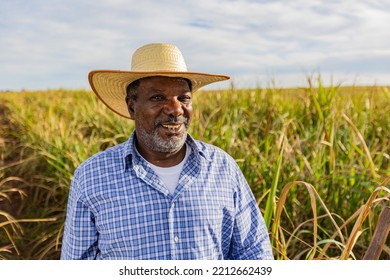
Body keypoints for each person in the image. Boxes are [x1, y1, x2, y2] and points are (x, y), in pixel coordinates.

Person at [60, 43, 274, 260]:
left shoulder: (222, 167)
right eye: (158, 98)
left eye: (184, 98)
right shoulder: (92, 176)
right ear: (132, 107)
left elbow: (254, 252)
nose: (175, 109)